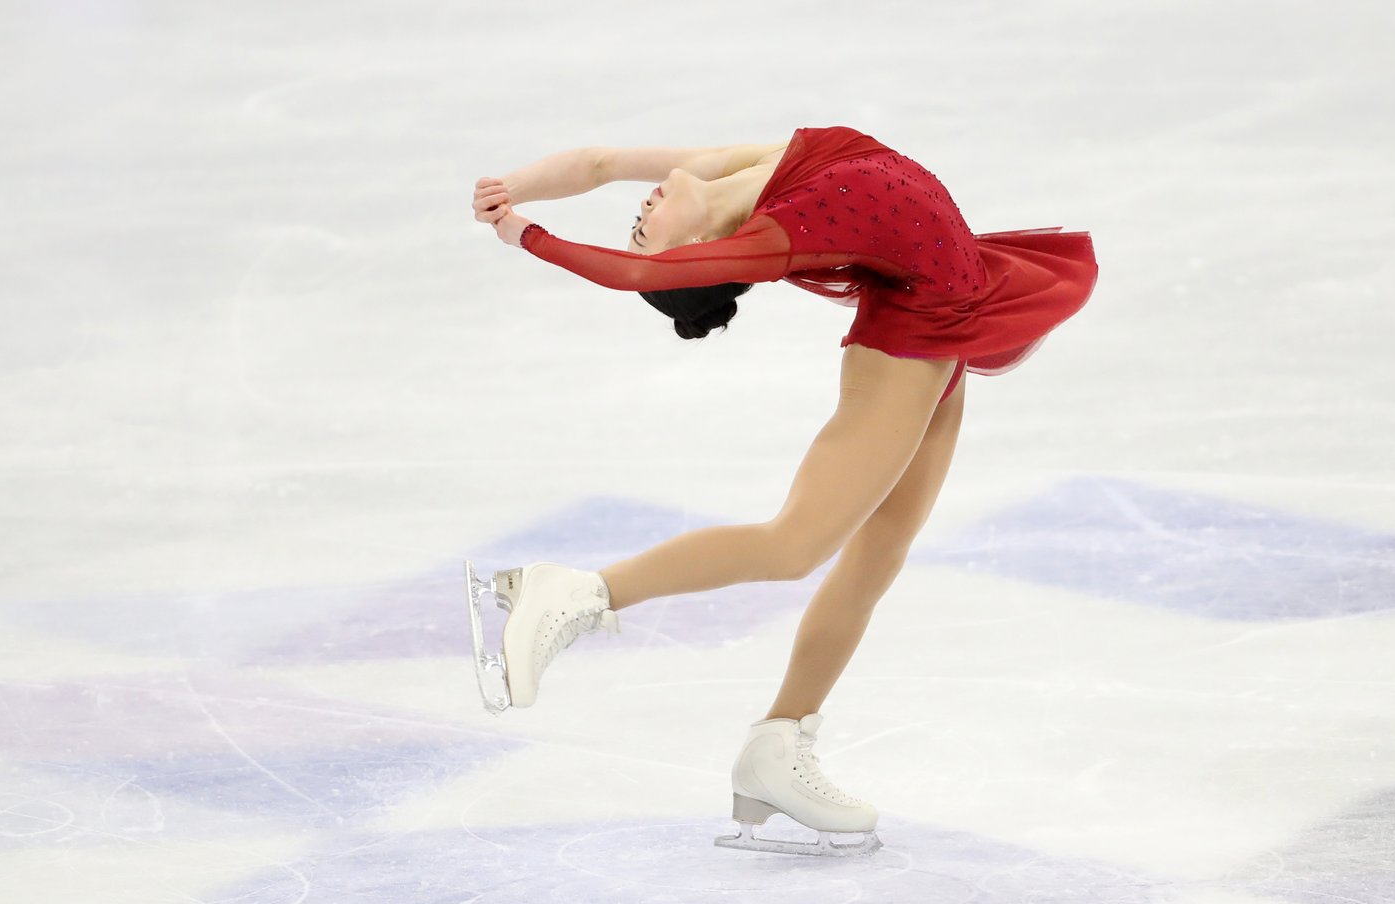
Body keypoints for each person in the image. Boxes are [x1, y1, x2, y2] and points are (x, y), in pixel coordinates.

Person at [467, 126, 1097, 855]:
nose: (639, 215)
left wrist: (509, 186)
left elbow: (599, 162)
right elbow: (632, 275)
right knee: (798, 544)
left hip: (954, 315)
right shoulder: (771, 239)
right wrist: (523, 234)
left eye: (638, 225)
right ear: (693, 255)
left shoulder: (736, 166)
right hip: (913, 333)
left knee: (878, 556)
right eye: (644, 234)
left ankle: (778, 746)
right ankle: (574, 594)